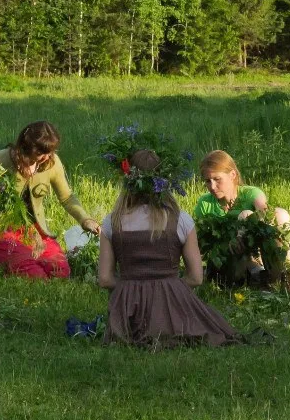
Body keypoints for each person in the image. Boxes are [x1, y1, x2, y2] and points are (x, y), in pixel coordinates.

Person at [97, 140, 240, 348]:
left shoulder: (112, 222)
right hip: (172, 309)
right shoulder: (181, 220)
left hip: (129, 312)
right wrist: (168, 290)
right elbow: (196, 277)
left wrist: (132, 289)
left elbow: (105, 279)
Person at [0, 121, 99, 279]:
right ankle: (3, 258)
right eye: (41, 153)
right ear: (27, 146)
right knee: (35, 276)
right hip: (5, 230)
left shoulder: (52, 162)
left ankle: (15, 258)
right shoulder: (1, 160)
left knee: (60, 272)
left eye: (50, 152)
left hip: (37, 231)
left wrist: (85, 220)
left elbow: (67, 197)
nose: (47, 157)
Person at [193, 150, 290, 291]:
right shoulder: (205, 203)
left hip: (256, 251)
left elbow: (266, 214)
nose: (212, 186)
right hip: (227, 262)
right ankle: (256, 275)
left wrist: (243, 231)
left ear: (232, 175)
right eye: (207, 181)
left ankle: (289, 274)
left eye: (217, 179)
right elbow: (199, 241)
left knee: (278, 215)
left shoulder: (250, 193)